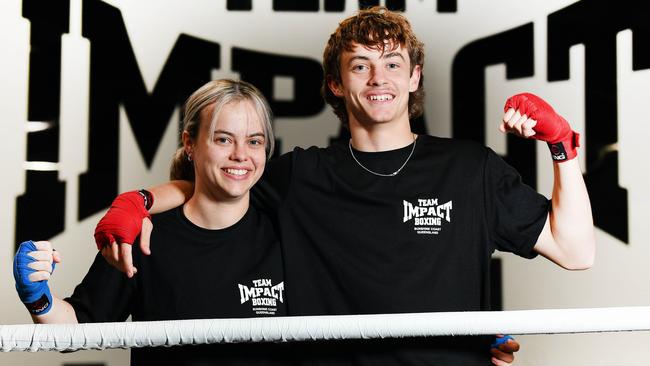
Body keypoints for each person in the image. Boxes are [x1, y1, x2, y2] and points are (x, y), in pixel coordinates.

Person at [93, 7, 594, 365]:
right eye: (361, 65)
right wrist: (135, 201)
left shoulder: (470, 169)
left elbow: (575, 251)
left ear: (415, 77)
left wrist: (561, 146)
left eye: (393, 63)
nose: (379, 78)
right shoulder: (299, 176)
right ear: (335, 83)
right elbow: (214, 182)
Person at [13, 79, 292, 365]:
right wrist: (38, 296)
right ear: (189, 144)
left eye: (254, 141)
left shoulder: (287, 235)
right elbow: (76, 327)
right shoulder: (145, 237)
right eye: (223, 139)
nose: (241, 155)